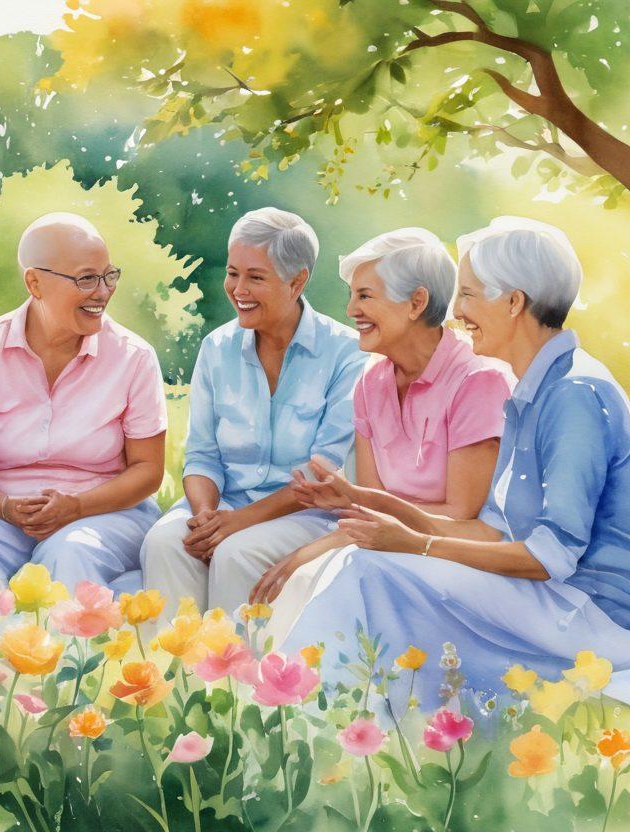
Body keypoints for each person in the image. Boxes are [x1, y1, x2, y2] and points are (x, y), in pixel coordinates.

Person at [281, 217, 630, 704]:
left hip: (591, 615)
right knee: (376, 568)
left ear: (514, 302)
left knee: (370, 569)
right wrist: (366, 500)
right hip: (548, 601)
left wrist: (417, 544)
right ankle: (342, 725)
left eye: (468, 295)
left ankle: (294, 713)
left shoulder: (574, 395)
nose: (457, 311)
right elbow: (490, 530)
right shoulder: (531, 390)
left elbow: (550, 557)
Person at [251, 229, 513, 644]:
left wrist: (326, 541)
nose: (350, 308)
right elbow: (371, 500)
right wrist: (347, 503)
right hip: (386, 538)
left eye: (365, 295)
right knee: (285, 578)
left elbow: (460, 514)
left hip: (452, 551)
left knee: (310, 581)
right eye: (353, 295)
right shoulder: (371, 381)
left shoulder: (479, 380)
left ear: (417, 303)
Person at [0, 212, 166, 593]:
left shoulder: (134, 356)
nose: (102, 291)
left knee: (70, 552)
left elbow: (148, 470)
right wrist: (6, 507)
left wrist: (78, 506)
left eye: (109, 275)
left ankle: (72, 655)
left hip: (102, 511)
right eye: (86, 278)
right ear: (35, 282)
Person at [140, 207, 366, 618]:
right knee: (164, 543)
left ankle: (235, 679)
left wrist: (238, 523)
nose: (238, 288)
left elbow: (322, 472)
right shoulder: (216, 348)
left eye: (255, 277)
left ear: (297, 281)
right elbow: (202, 455)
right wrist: (207, 516)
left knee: (235, 553)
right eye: (233, 273)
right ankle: (174, 674)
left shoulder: (347, 355)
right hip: (223, 504)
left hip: (307, 515)